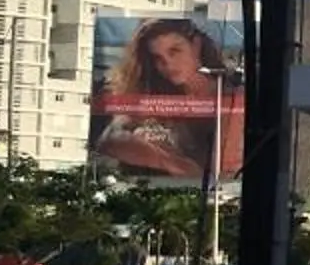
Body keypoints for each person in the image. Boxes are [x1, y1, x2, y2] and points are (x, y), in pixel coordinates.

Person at [90, 17, 244, 184]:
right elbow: (110, 139)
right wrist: (171, 162)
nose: (167, 64)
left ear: (196, 45)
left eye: (174, 51)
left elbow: (225, 170)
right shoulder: (158, 94)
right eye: (157, 58)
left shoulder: (231, 94)